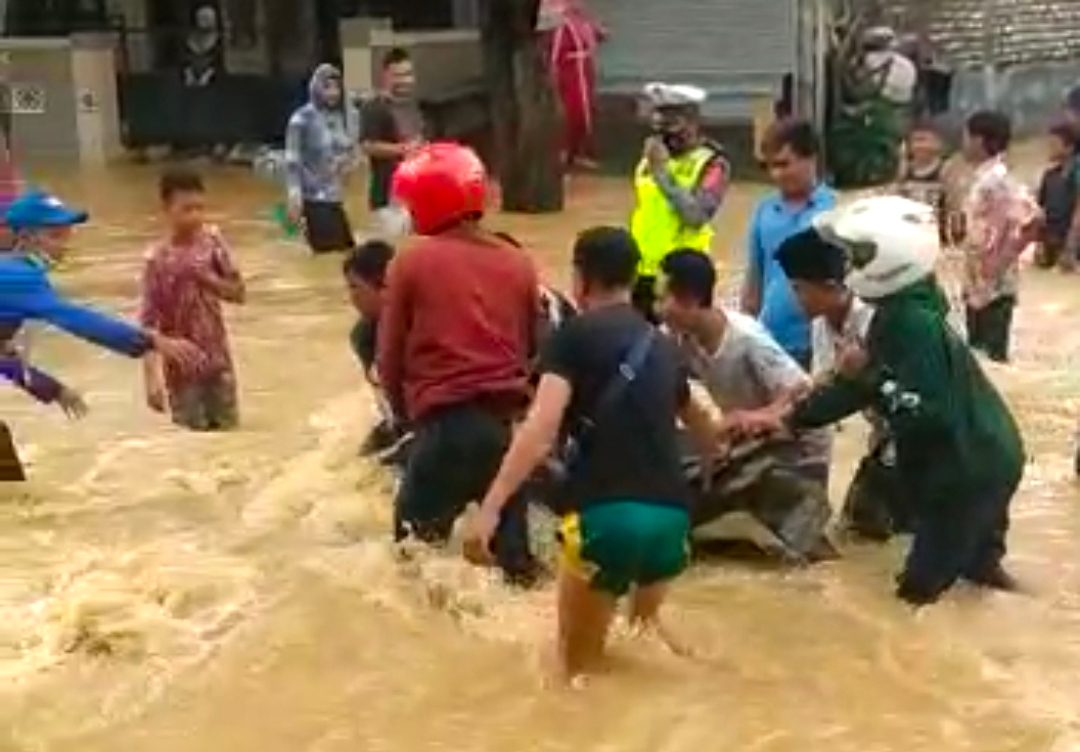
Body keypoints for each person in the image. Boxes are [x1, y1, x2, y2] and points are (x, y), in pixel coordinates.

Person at [465, 226, 723, 684]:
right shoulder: (662, 343)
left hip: (607, 519)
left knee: (575, 674)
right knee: (642, 647)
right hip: (671, 524)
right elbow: (706, 425)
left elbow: (539, 430)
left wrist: (490, 508)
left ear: (580, 278)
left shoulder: (572, 337)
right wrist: (702, 476)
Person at [740, 195, 1024, 606]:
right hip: (992, 449)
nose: (851, 267)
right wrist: (793, 418)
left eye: (859, 257)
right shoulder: (902, 309)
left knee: (915, 598)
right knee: (980, 577)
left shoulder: (909, 323)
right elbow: (855, 389)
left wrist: (875, 381)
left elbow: (929, 413)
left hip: (967, 469)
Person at [377, 142, 540, 585]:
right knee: (518, 576)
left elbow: (389, 358)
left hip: (443, 430)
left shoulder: (411, 261)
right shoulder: (521, 263)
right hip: (504, 437)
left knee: (409, 568)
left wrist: (405, 420)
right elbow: (530, 351)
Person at [0, 190, 201, 478]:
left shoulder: (12, 274)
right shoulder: (20, 278)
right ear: (27, 238)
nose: (65, 246)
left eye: (67, 235)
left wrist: (49, 388)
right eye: (56, 236)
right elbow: (79, 320)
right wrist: (150, 340)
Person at [658, 249, 835, 561]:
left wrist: (757, 416)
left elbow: (806, 391)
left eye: (664, 299)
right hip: (750, 439)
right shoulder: (679, 338)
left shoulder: (747, 340)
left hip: (798, 447)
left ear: (691, 300)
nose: (659, 309)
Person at [775, 227, 909, 540]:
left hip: (916, 443)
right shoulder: (821, 323)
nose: (794, 300)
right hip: (885, 442)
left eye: (799, 289)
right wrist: (778, 409)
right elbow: (825, 383)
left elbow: (848, 392)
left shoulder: (877, 319)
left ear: (833, 286)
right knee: (858, 534)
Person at [140, 168, 245, 432]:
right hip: (180, 372)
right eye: (187, 209)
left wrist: (208, 280)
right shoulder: (157, 260)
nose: (196, 216)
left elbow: (239, 293)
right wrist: (151, 379)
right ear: (167, 209)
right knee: (192, 444)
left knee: (230, 437)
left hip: (218, 362)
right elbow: (148, 324)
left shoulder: (213, 243)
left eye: (200, 208)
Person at [741, 118, 836, 370]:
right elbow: (754, 281)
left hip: (820, 346)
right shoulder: (764, 211)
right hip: (770, 342)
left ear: (811, 159)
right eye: (771, 167)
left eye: (784, 164)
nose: (776, 174)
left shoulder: (835, 211)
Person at [628, 82, 728, 322]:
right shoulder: (649, 160)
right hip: (641, 274)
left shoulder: (712, 163)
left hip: (682, 277)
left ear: (692, 121)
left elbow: (696, 217)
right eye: (659, 123)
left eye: (672, 122)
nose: (664, 134)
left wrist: (662, 173)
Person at [960, 110, 1040, 364]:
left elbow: (1033, 220)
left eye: (966, 136)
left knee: (991, 360)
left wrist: (1002, 260)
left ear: (979, 140)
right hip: (978, 279)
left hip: (994, 282)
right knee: (978, 358)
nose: (963, 142)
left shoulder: (997, 180)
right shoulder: (984, 177)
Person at [284, 63, 359, 253]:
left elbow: (348, 148)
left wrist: (349, 162)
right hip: (313, 199)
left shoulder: (338, 118)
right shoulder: (301, 119)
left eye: (336, 87)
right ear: (315, 87)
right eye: (327, 87)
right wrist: (294, 196)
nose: (333, 93)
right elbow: (292, 160)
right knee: (327, 254)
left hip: (335, 197)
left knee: (346, 251)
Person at [343, 239, 407, 456]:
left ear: (382, 285)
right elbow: (383, 392)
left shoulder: (420, 319)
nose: (351, 297)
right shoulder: (364, 334)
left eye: (355, 287)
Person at [360, 48, 426, 239]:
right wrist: (403, 150)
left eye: (408, 74)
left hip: (416, 195)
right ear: (385, 76)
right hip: (388, 198)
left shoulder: (414, 106)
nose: (405, 80)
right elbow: (367, 146)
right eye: (398, 75)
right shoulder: (374, 107)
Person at [546, 0, 605, 170]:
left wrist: (599, 32)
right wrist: (554, 72)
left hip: (584, 68)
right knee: (574, 111)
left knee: (587, 111)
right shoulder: (561, 24)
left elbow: (595, 36)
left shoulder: (582, 22)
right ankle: (568, 151)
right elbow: (556, 51)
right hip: (570, 70)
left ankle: (581, 151)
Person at [894, 118, 948, 243]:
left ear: (938, 144)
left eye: (924, 140)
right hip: (911, 233)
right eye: (915, 141)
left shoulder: (946, 170)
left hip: (935, 234)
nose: (920, 146)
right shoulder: (904, 171)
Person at [1034, 120, 1077, 270]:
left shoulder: (1074, 174)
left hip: (1070, 240)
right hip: (1051, 240)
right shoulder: (1049, 176)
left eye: (1054, 144)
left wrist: (1070, 244)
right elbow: (1039, 210)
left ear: (1069, 148)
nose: (1049, 148)